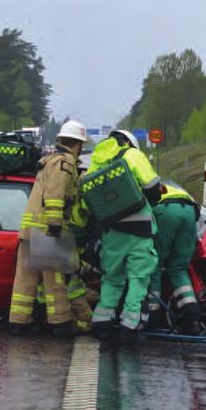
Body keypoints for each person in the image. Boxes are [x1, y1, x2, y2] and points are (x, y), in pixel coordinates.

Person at [9, 120, 88, 337]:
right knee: (55, 280)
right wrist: (54, 224)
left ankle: (19, 322)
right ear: (78, 144)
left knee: (25, 279)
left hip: (29, 229)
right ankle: (60, 323)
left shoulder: (49, 161)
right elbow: (55, 193)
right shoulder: (65, 163)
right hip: (46, 229)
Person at [85, 129, 161, 344]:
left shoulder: (97, 161)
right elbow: (152, 186)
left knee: (111, 277)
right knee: (138, 278)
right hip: (139, 227)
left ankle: (101, 323)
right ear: (128, 142)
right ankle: (129, 326)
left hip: (112, 229)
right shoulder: (133, 155)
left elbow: (88, 200)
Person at [150, 181, 201, 334]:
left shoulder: (137, 186)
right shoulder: (167, 186)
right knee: (178, 268)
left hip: (166, 209)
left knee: (155, 264)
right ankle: (192, 318)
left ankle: (152, 316)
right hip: (190, 209)